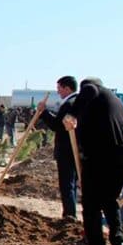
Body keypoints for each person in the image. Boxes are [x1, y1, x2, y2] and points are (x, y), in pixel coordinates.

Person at [65, 78, 123, 245]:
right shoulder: (114, 102)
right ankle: (119, 243)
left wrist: (71, 113)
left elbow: (89, 91)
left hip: (103, 154)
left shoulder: (93, 90)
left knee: (91, 204)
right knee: (110, 199)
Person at [38, 76, 80, 219]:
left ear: (67, 88)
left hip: (67, 150)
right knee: (72, 182)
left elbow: (57, 125)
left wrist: (43, 112)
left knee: (67, 183)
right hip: (75, 149)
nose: (58, 92)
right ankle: (70, 212)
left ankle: (69, 215)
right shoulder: (80, 102)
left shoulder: (69, 103)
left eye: (59, 89)